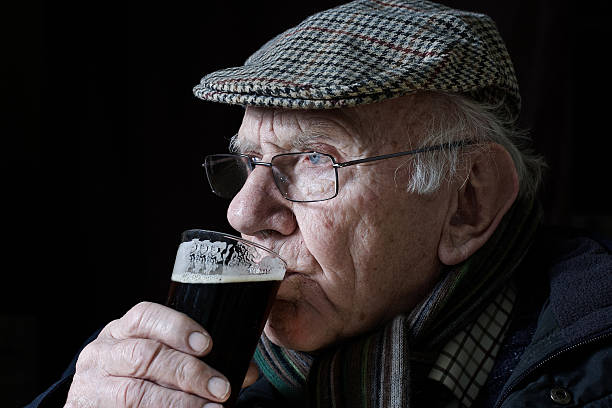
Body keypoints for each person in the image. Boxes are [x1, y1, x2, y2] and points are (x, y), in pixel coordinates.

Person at [28, 0, 612, 407]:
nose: (243, 215)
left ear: (468, 201)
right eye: (248, 161)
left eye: (315, 158)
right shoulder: (169, 365)